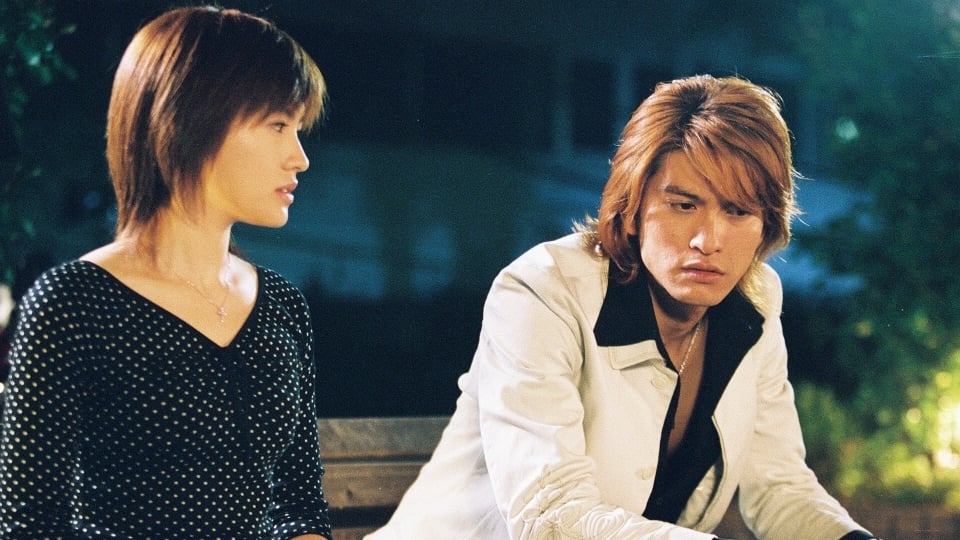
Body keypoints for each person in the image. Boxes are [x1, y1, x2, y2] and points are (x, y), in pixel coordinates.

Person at [367, 75, 878, 539]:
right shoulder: (542, 292)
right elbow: (551, 516)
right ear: (632, 207)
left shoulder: (754, 302)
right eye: (684, 205)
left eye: (738, 210)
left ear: (766, 223)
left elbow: (780, 488)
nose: (708, 240)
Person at [0, 6, 332, 538]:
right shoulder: (74, 304)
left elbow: (300, 504)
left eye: (298, 129)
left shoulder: (282, 306)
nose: (300, 157)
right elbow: (31, 524)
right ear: (192, 122)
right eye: (277, 125)